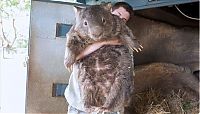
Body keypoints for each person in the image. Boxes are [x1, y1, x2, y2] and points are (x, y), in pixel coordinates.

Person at [64, 2, 135, 114]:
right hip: (80, 105)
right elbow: (74, 57)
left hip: (109, 106)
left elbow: (127, 71)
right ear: (109, 11)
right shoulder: (79, 29)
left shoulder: (124, 38)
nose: (120, 19)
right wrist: (104, 42)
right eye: (118, 14)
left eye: (124, 19)